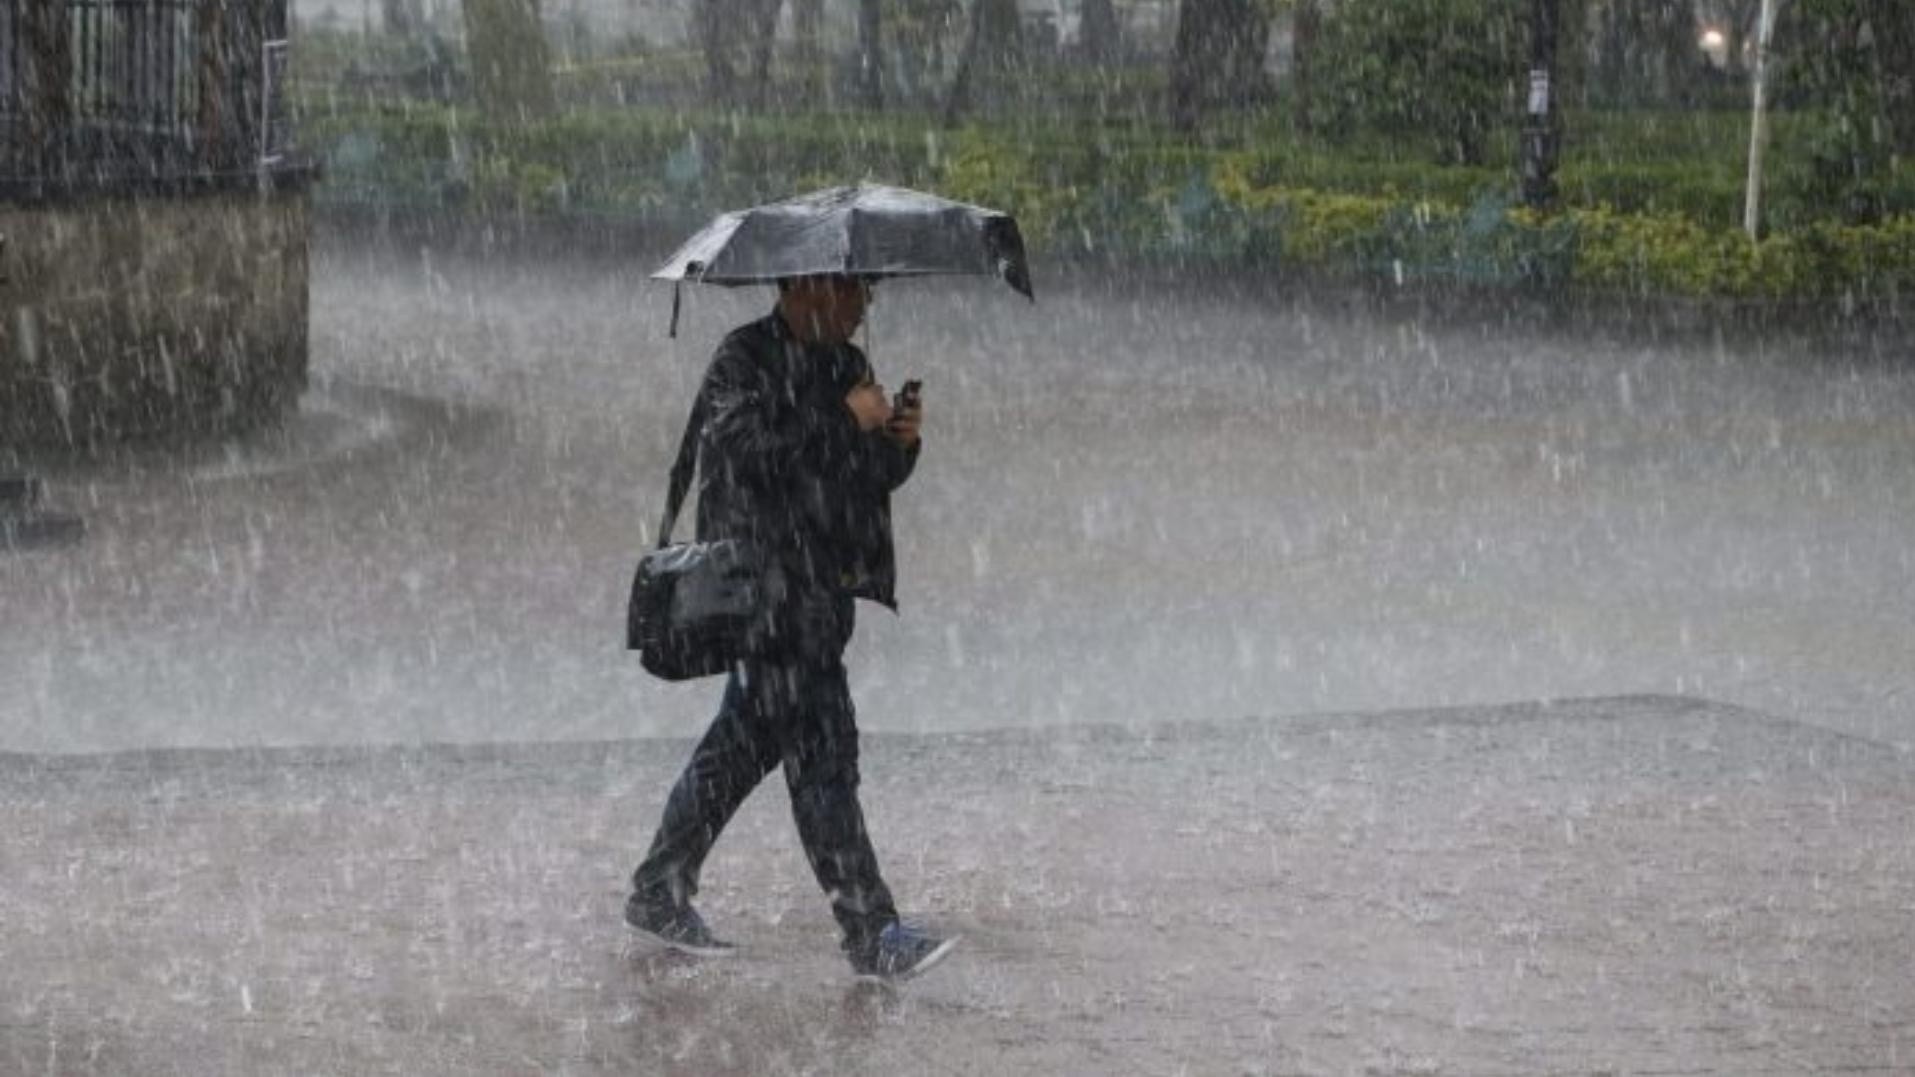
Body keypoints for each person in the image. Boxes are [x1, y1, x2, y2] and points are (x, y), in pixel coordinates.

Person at [626, 274, 957, 981]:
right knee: (824, 762)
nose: (865, 305)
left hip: (820, 594)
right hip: (767, 597)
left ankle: (659, 887)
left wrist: (897, 443)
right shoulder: (741, 358)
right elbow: (747, 456)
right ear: (808, 287)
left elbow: (862, 475)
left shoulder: (846, 364)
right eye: (853, 291)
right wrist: (843, 420)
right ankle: (870, 929)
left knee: (739, 750)